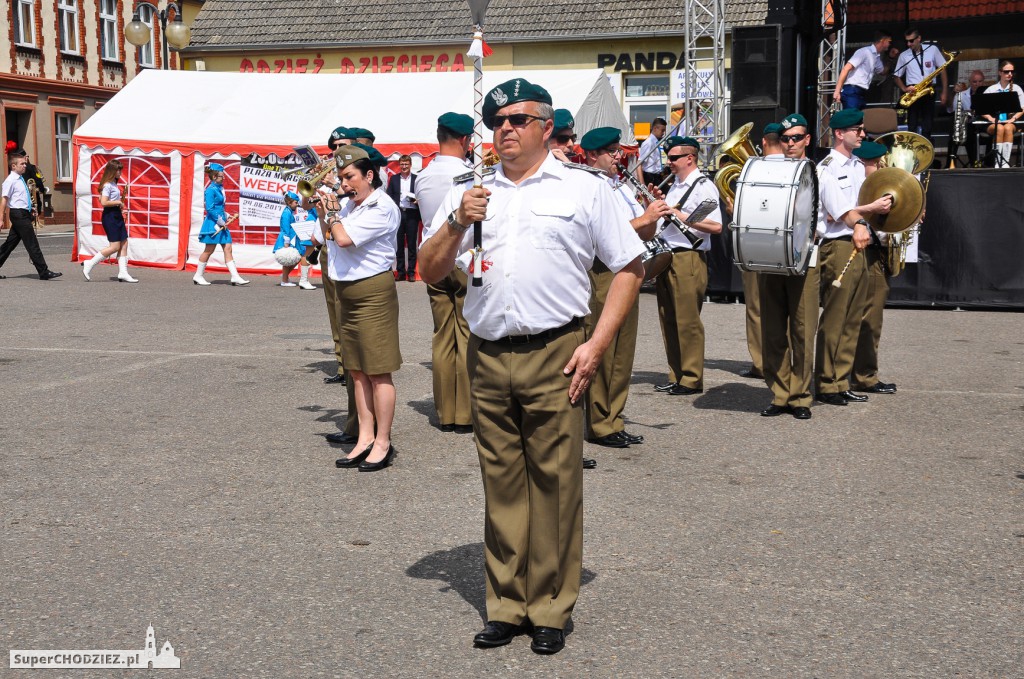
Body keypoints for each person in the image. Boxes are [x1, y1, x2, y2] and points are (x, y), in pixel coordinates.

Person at [418, 78, 645, 655]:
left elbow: (629, 267)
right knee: (502, 483)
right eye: (498, 120)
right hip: (489, 353)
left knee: (556, 481)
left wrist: (596, 345)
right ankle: (506, 605)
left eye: (519, 119)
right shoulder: (472, 191)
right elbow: (429, 268)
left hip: (557, 351)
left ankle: (549, 606)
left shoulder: (584, 189)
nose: (506, 129)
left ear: (547, 126)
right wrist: (455, 223)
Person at [580, 126, 670, 450]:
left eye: (618, 149)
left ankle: (613, 418)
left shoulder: (620, 187)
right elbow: (604, 236)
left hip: (630, 270)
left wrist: (654, 215)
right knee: (605, 349)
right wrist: (644, 218)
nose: (618, 156)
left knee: (623, 352)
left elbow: (641, 234)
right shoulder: (590, 188)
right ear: (592, 155)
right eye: (611, 151)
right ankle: (600, 422)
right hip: (605, 272)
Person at [315, 145, 401, 472]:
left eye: (349, 176)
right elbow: (327, 238)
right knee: (356, 370)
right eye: (341, 177)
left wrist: (333, 212)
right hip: (347, 290)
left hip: (372, 292)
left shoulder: (382, 207)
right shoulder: (351, 206)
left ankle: (383, 441)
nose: (344, 183)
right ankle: (364, 437)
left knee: (378, 371)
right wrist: (324, 211)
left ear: (369, 175)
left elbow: (346, 239)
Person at [814, 108, 893, 406]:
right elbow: (842, 213)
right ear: (839, 133)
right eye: (856, 130)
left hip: (858, 243)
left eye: (861, 129)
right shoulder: (827, 168)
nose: (862, 134)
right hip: (839, 245)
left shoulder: (858, 166)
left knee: (852, 318)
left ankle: (840, 380)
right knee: (836, 317)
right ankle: (826, 381)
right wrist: (873, 207)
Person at [412, 112, 475, 434]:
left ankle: (445, 411)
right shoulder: (471, 174)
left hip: (433, 257)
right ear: (465, 140)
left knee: (442, 336)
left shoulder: (422, 175)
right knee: (466, 334)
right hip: (464, 258)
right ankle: (464, 413)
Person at [758, 115, 821, 420]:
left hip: (805, 257)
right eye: (786, 139)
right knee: (772, 330)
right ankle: (780, 393)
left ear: (807, 139)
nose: (791, 143)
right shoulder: (769, 170)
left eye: (797, 138)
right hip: (772, 256)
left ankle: (801, 396)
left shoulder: (818, 171)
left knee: (802, 329)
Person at [653, 135, 723, 396]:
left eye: (673, 158)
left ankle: (692, 378)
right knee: (668, 318)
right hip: (669, 255)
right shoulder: (677, 184)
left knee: (687, 321)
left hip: (688, 257)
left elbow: (715, 226)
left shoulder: (703, 186)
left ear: (690, 158)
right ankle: (676, 374)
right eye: (667, 157)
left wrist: (680, 215)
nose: (668, 162)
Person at [850, 140, 899, 395]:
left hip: (875, 251)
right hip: (861, 251)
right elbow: (838, 212)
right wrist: (872, 207)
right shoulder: (858, 185)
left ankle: (861, 372)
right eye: (875, 163)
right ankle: (864, 376)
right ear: (862, 163)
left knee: (871, 317)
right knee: (867, 318)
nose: (881, 167)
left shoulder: (875, 186)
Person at [0, 150, 61, 280]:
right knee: (32, 243)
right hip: (18, 214)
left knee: (9, 244)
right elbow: (4, 200)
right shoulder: (10, 180)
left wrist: (30, 208)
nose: (25, 165)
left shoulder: (21, 179)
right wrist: (1, 219)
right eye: (22, 164)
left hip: (23, 213)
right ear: (13, 166)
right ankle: (43, 271)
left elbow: (22, 197)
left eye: (25, 163)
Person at [82, 159, 138, 283]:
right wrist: (119, 202)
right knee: (114, 246)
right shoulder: (108, 185)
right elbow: (103, 202)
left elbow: (102, 198)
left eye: (120, 170)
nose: (120, 172)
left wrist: (120, 208)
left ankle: (123, 272)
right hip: (110, 217)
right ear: (112, 171)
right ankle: (89, 263)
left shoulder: (112, 183)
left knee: (124, 243)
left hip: (115, 214)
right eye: (118, 170)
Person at [193, 162, 249, 286]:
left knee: (228, 248)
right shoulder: (210, 190)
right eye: (221, 176)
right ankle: (198, 275)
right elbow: (210, 208)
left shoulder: (219, 188)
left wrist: (227, 215)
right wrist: (220, 221)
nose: (223, 178)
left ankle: (235, 276)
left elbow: (219, 207)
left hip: (221, 223)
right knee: (209, 250)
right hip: (213, 224)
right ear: (214, 177)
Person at [894, 28, 948, 140]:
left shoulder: (932, 49)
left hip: (929, 89)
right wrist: (904, 88)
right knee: (912, 124)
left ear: (919, 38)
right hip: (913, 91)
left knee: (928, 125)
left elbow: (942, 70)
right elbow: (896, 76)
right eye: (907, 41)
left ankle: (926, 151)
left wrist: (944, 92)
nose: (909, 44)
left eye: (911, 40)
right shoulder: (904, 55)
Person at [982, 60, 1024, 168]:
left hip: (1010, 122)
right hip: (994, 122)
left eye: (1011, 71)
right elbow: (982, 108)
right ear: (1000, 72)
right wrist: (990, 118)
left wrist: (1013, 119)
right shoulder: (992, 89)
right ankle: (997, 163)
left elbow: (1022, 108)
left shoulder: (1017, 89)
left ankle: (1005, 162)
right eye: (1006, 71)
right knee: (999, 128)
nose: (1010, 74)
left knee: (1008, 128)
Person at [386, 155, 421, 281]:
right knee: (399, 244)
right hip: (399, 213)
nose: (404, 167)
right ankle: (400, 272)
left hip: (412, 213)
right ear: (399, 165)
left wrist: (417, 200)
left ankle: (411, 272)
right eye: (402, 164)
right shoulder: (394, 179)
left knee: (412, 244)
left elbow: (421, 195)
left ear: (410, 165)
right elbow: (389, 196)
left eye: (406, 164)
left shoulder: (416, 179)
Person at [274, 190, 317, 289]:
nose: (297, 205)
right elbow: (285, 229)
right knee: (288, 258)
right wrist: (286, 243)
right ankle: (284, 280)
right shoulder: (286, 213)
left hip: (291, 238)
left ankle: (285, 278)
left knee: (294, 258)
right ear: (289, 203)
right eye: (296, 203)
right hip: (287, 239)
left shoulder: (289, 212)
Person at [953, 70, 989, 165]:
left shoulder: (989, 93)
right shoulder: (963, 94)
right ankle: (974, 163)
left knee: (994, 132)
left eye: (980, 81)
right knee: (968, 133)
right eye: (974, 82)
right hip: (969, 125)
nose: (978, 84)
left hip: (984, 124)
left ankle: (989, 163)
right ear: (970, 82)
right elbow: (954, 110)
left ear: (984, 81)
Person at [639, 117, 668, 187]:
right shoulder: (648, 143)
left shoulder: (656, 142)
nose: (663, 133)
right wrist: (642, 183)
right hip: (650, 177)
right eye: (662, 130)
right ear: (655, 128)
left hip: (657, 176)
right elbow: (639, 164)